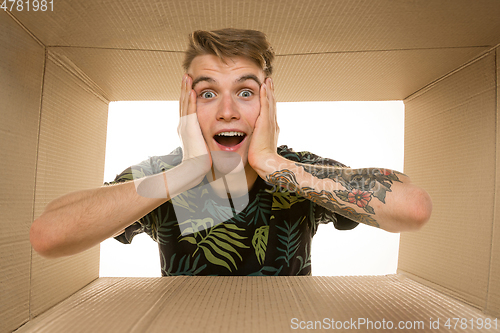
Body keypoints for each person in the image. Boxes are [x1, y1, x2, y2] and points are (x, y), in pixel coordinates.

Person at [30, 28, 432, 276]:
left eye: (245, 92)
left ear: (268, 104)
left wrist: (272, 163)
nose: (226, 111)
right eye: (208, 94)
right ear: (188, 107)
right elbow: (47, 235)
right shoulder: (162, 174)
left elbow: (412, 207)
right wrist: (186, 172)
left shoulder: (299, 170)